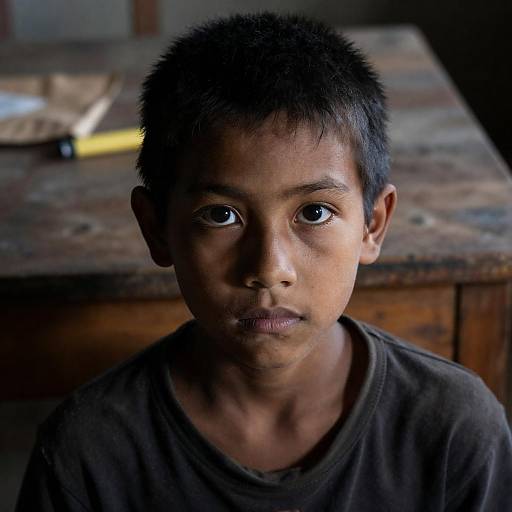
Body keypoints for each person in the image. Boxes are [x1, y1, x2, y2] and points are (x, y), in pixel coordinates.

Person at [16, 12, 512, 511]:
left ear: (373, 224)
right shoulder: (88, 456)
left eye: (314, 213)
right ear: (156, 228)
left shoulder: (453, 432)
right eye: (221, 215)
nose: (270, 268)